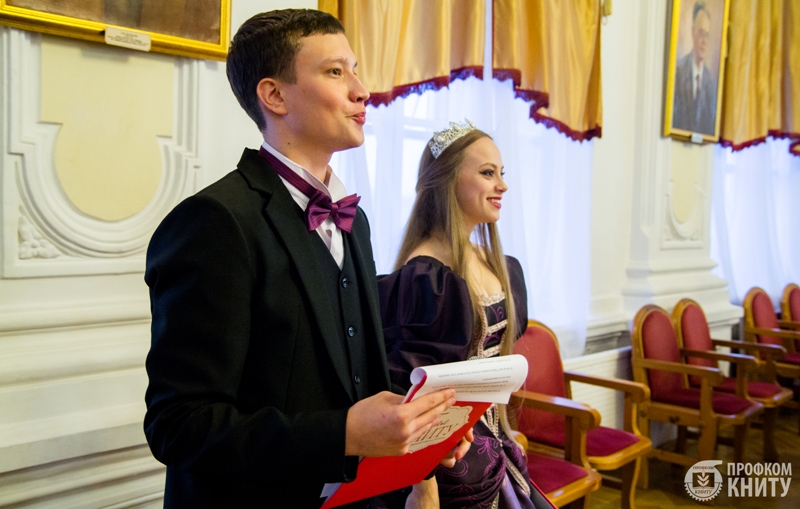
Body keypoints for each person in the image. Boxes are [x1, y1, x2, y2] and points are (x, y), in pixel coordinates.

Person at [143, 9, 460, 508]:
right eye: (336, 71)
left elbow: (357, 376)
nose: (362, 90)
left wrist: (418, 432)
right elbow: (179, 426)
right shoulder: (215, 221)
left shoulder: (356, 222)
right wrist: (343, 434)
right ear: (274, 95)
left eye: (356, 70)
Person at [377, 120, 552, 508]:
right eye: (488, 173)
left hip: (494, 447)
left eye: (501, 173)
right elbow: (409, 394)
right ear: (447, 181)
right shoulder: (425, 276)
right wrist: (423, 485)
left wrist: (505, 433)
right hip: (450, 465)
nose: (502, 185)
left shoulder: (496, 262)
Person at [672, 1, 716, 135]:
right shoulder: (678, 72)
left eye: (707, 35)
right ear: (693, 32)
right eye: (701, 33)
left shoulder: (710, 82)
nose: (704, 41)